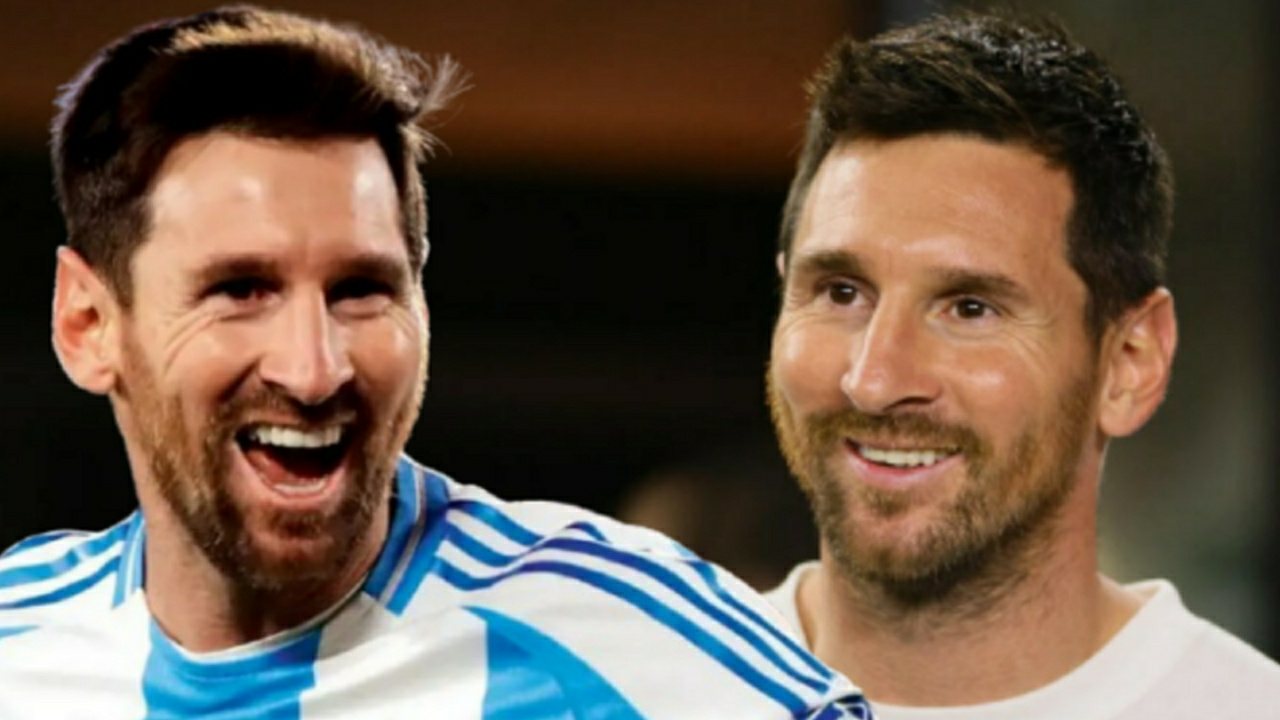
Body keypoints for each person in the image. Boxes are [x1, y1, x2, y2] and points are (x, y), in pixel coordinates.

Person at [0, 7, 872, 718]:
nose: (313, 370)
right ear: (88, 325)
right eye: (241, 289)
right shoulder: (17, 644)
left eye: (360, 290)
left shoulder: (628, 646)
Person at [764, 9, 1280, 719]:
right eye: (841, 293)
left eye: (970, 308)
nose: (875, 379)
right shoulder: (636, 695)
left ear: (1130, 362)